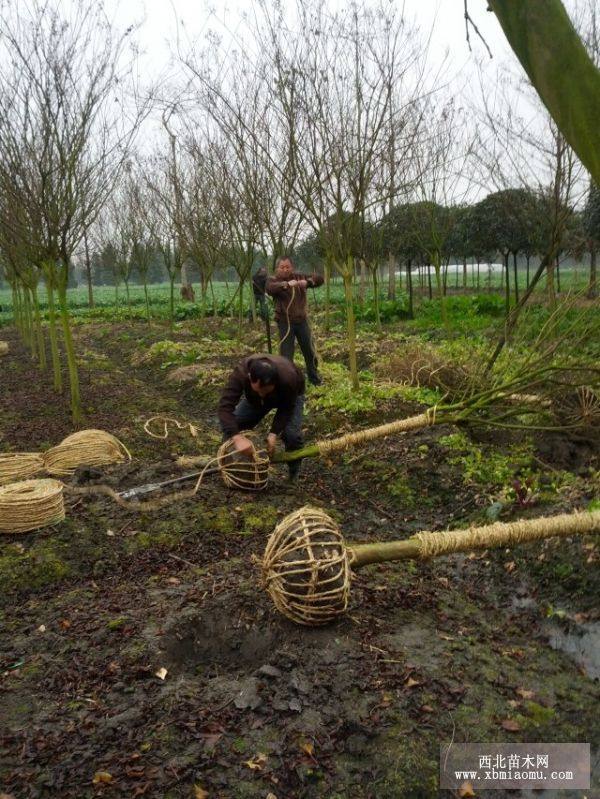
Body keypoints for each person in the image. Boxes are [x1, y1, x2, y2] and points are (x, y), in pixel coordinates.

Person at [217, 354, 305, 480]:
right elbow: (225, 408)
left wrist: (274, 433)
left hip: (289, 397)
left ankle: (293, 474)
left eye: (265, 390)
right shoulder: (241, 373)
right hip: (254, 401)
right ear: (249, 378)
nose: (262, 393)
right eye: (258, 390)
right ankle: (229, 466)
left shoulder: (289, 378)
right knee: (233, 425)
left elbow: (287, 408)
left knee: (292, 435)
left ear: (275, 383)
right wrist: (237, 438)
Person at [266, 256, 323, 386]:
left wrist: (307, 283)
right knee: (286, 355)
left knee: (310, 351)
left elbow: (320, 279)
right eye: (282, 267)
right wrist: (285, 285)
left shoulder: (299, 276)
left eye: (288, 267)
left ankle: (314, 378)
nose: (285, 270)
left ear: (292, 267)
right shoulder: (273, 279)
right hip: (285, 323)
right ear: (277, 268)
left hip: (302, 321)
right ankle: (288, 383)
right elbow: (270, 289)